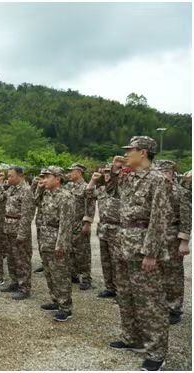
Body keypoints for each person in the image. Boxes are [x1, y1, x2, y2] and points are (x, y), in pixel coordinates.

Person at [91, 136, 172, 371]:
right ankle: (132, 338)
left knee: (150, 300)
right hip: (123, 243)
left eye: (131, 150)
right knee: (125, 295)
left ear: (144, 153)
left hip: (142, 246)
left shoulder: (158, 180)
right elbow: (110, 192)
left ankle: (157, 352)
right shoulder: (129, 177)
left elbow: (159, 219)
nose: (126, 154)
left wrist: (151, 253)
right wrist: (114, 173)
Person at [155, 160, 191, 325]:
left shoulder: (180, 192)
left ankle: (174, 308)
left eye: (164, 172)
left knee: (173, 275)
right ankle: (160, 305)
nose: (161, 175)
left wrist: (184, 242)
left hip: (172, 236)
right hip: (157, 237)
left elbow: (186, 218)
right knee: (157, 273)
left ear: (170, 172)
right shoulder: (155, 190)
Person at [36, 166, 73, 322]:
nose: (44, 180)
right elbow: (35, 202)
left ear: (57, 179)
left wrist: (61, 244)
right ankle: (55, 300)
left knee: (60, 274)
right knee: (49, 272)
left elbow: (66, 223)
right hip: (45, 238)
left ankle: (65, 307)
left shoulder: (65, 196)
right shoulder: (46, 194)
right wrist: (38, 188)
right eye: (43, 177)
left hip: (56, 239)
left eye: (47, 177)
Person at [0, 165, 35, 300]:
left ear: (20, 176)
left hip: (19, 230)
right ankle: (14, 282)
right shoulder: (11, 189)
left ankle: (24, 288)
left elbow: (27, 215)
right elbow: (0, 197)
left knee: (22, 260)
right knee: (11, 258)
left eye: (10, 176)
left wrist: (22, 234)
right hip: (8, 228)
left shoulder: (26, 191)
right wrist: (1, 183)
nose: (8, 178)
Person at [86, 164, 119, 298]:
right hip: (104, 227)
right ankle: (110, 287)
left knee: (117, 261)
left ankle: (120, 290)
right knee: (106, 260)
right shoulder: (102, 189)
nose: (106, 175)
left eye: (108, 172)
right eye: (104, 172)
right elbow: (87, 193)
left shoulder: (120, 188)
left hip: (118, 228)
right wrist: (94, 180)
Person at [65, 163, 95, 290]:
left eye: (72, 171)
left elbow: (90, 205)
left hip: (80, 222)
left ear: (79, 172)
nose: (69, 174)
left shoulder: (86, 187)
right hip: (69, 223)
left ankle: (86, 278)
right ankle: (74, 274)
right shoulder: (69, 186)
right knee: (70, 249)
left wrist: (87, 222)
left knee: (82, 252)